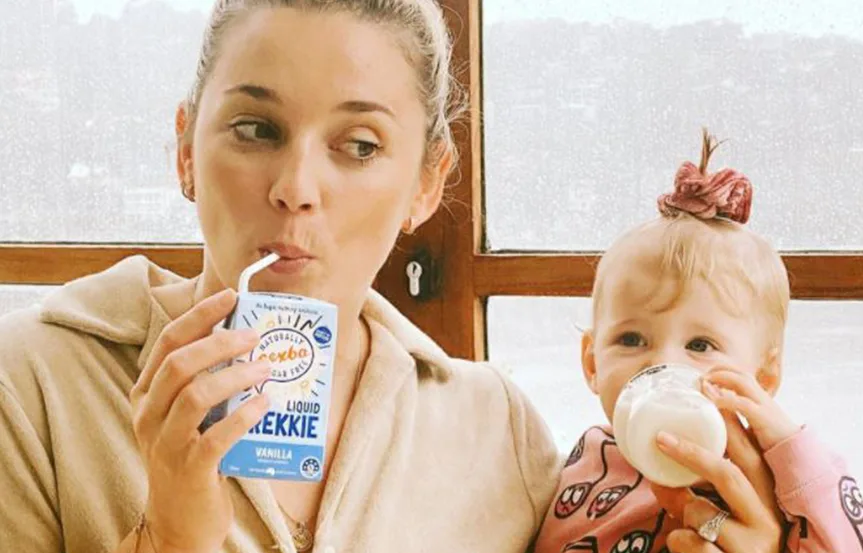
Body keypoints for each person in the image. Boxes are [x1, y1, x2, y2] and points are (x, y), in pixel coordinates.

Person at [0, 2, 563, 552]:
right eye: (255, 129)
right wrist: (167, 541)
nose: (295, 188)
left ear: (427, 183)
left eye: (361, 145)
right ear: (187, 149)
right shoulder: (30, 387)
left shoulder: (496, 430)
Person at [532, 131, 863, 553]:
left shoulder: (792, 484)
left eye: (699, 346)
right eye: (631, 338)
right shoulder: (590, 459)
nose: (659, 364)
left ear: (764, 377)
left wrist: (788, 446)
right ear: (592, 363)